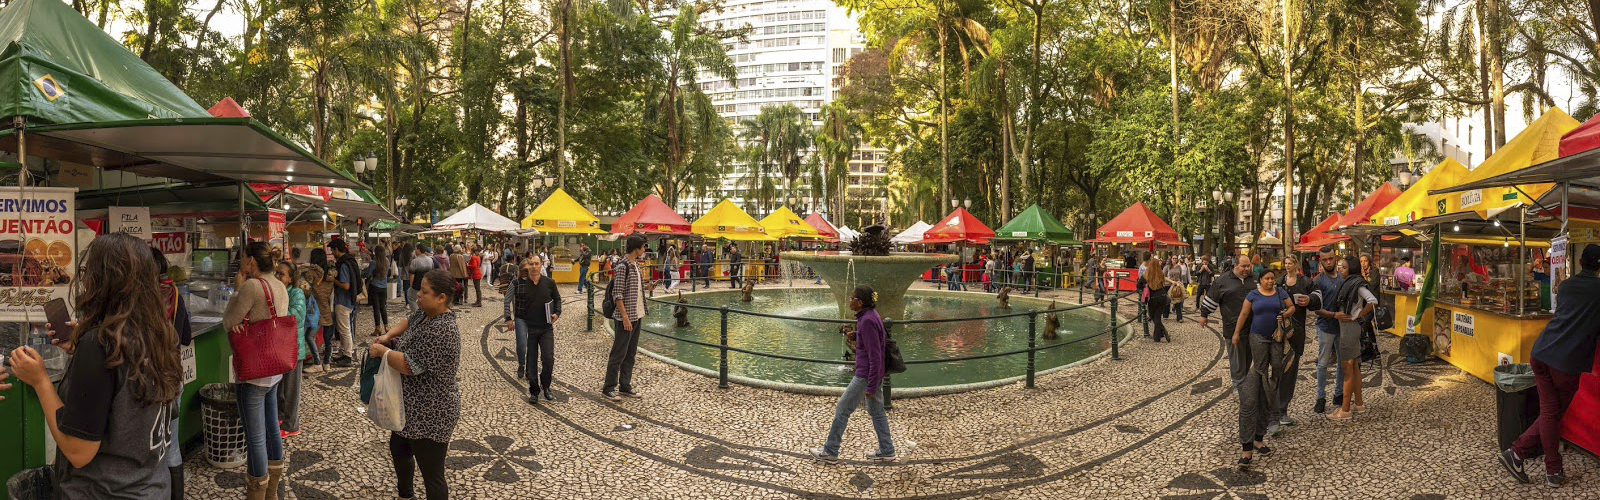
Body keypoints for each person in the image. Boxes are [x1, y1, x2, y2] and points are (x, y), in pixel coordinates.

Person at [5, 233, 183, 499]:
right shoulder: (159, 334)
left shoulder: (101, 345)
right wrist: (83, 351)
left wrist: (40, 380)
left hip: (105, 492)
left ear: (103, 279)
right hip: (152, 487)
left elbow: (78, 452)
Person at [1500, 244, 1600, 487]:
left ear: (1579, 263)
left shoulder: (1565, 285)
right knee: (1552, 414)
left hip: (1541, 352)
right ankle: (1546, 467)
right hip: (1565, 362)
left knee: (1549, 412)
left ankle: (1523, 456)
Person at [371, 269, 462, 500]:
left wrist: (383, 351)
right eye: (419, 289)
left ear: (441, 298)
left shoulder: (443, 329)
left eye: (424, 291)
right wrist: (387, 335)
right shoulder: (424, 314)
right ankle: (405, 495)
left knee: (432, 474)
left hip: (432, 412)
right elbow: (407, 321)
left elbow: (407, 365)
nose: (418, 295)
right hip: (410, 405)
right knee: (399, 450)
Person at [223, 241, 292, 498]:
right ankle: (272, 492)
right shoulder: (280, 285)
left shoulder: (252, 286)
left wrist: (237, 291)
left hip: (253, 372)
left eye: (242, 258)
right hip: (274, 370)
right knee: (272, 429)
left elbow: (229, 321)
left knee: (255, 439)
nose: (241, 262)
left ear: (250, 261)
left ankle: (257, 494)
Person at [808, 285, 896, 463]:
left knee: (843, 408)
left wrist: (871, 385)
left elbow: (875, 355)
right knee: (876, 410)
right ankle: (887, 449)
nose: (849, 300)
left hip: (865, 375)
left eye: (852, 297)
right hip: (873, 374)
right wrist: (856, 335)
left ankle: (830, 451)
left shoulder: (867, 320)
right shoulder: (869, 316)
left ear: (860, 302)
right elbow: (873, 340)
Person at [1231, 267, 1293, 467]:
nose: (1270, 281)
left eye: (1272, 279)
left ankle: (1259, 436)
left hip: (1276, 337)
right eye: (1267, 278)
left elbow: (1292, 307)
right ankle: (1262, 388)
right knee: (1259, 375)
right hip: (1257, 336)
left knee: (1274, 373)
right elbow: (1243, 314)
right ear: (1260, 280)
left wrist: (1284, 314)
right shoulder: (1253, 294)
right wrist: (1236, 333)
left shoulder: (1280, 293)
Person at [506, 254, 562, 403]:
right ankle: (534, 391)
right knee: (531, 361)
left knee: (548, 359)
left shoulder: (549, 283)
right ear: (527, 266)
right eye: (531, 264)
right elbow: (512, 300)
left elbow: (557, 299)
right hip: (530, 327)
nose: (534, 267)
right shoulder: (522, 284)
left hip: (546, 328)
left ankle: (547, 386)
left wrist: (556, 313)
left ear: (541, 265)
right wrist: (510, 318)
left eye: (537, 264)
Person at [1326, 255, 1374, 420]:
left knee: (1347, 371)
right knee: (1354, 368)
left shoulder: (1357, 285)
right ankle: (1358, 403)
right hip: (1351, 329)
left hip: (1349, 331)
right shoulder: (1351, 283)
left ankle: (1345, 410)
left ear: (1351, 269)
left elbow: (1372, 300)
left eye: (1344, 267)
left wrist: (1357, 315)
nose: (1341, 269)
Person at [605, 235, 651, 401]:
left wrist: (647, 286)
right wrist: (624, 317)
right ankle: (609, 387)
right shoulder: (623, 266)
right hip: (626, 317)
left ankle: (625, 385)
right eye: (643, 247)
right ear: (636, 248)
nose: (645, 250)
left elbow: (634, 288)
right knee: (618, 353)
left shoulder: (636, 264)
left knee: (630, 354)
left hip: (637, 315)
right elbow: (617, 294)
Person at [1200, 258, 1258, 385]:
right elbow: (1212, 297)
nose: (1247, 269)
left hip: (1254, 326)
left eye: (1248, 266)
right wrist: (1204, 314)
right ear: (1235, 265)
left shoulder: (1255, 278)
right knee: (1236, 360)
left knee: (1248, 357)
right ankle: (1238, 385)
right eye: (1244, 266)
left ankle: (1246, 383)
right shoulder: (1222, 280)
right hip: (1232, 327)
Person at [1274, 255, 1314, 434]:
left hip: (1296, 332)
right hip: (1278, 331)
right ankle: (1272, 411)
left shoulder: (1305, 281)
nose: (1287, 265)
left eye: (1290, 262)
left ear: (1296, 264)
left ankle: (1282, 410)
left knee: (1290, 370)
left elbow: (1316, 297)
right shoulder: (1278, 282)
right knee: (1276, 370)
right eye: (1285, 263)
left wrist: (1310, 300)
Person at [273, 262, 311, 441]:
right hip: (279, 347)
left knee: (291, 389)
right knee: (280, 388)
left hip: (293, 348)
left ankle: (291, 425)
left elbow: (296, 316)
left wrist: (276, 308)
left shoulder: (296, 293)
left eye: (281, 274)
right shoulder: (279, 290)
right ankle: (281, 418)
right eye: (277, 273)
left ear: (291, 278)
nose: (278, 276)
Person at [1307, 245, 1346, 414]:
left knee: (1341, 363)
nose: (1329, 262)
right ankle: (1320, 397)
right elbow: (1315, 309)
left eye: (1331, 258)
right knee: (1322, 363)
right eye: (1325, 259)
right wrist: (1333, 315)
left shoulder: (1343, 278)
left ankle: (1338, 394)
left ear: (1335, 257)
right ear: (1320, 261)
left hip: (1342, 327)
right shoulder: (1317, 281)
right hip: (1325, 326)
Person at [330, 239, 362, 367]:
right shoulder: (349, 261)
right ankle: (344, 353)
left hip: (343, 300)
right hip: (349, 300)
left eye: (332, 250)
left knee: (344, 329)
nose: (332, 253)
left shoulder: (343, 264)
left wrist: (333, 280)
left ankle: (348, 355)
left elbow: (346, 285)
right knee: (345, 328)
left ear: (337, 250)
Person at [1144, 258, 1172, 342]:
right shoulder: (1161, 273)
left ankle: (1163, 331)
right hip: (1162, 296)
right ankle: (1158, 336)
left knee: (1152, 316)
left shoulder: (1147, 273)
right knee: (1158, 316)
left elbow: (1139, 284)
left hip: (1153, 298)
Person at [367, 244, 392, 335]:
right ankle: (386, 326)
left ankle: (378, 328)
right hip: (384, 287)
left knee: (376, 308)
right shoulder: (387, 261)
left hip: (375, 286)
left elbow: (368, 274)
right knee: (383, 307)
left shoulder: (374, 262)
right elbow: (388, 273)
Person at [409, 246, 436, 313]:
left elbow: (412, 274)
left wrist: (411, 285)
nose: (415, 251)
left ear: (418, 250)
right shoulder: (430, 260)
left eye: (416, 249)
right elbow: (432, 272)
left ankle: (416, 313)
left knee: (411, 298)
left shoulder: (415, 261)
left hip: (417, 284)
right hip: (428, 283)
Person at [1168, 256, 1191, 321]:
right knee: (1169, 299)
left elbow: (1180, 276)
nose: (1174, 259)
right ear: (1171, 259)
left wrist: (1181, 284)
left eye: (1175, 258)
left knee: (1178, 300)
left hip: (1178, 284)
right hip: (1170, 284)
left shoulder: (1179, 267)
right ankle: (1165, 313)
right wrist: (1170, 281)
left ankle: (1179, 317)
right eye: (1173, 258)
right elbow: (1165, 276)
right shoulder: (1168, 267)